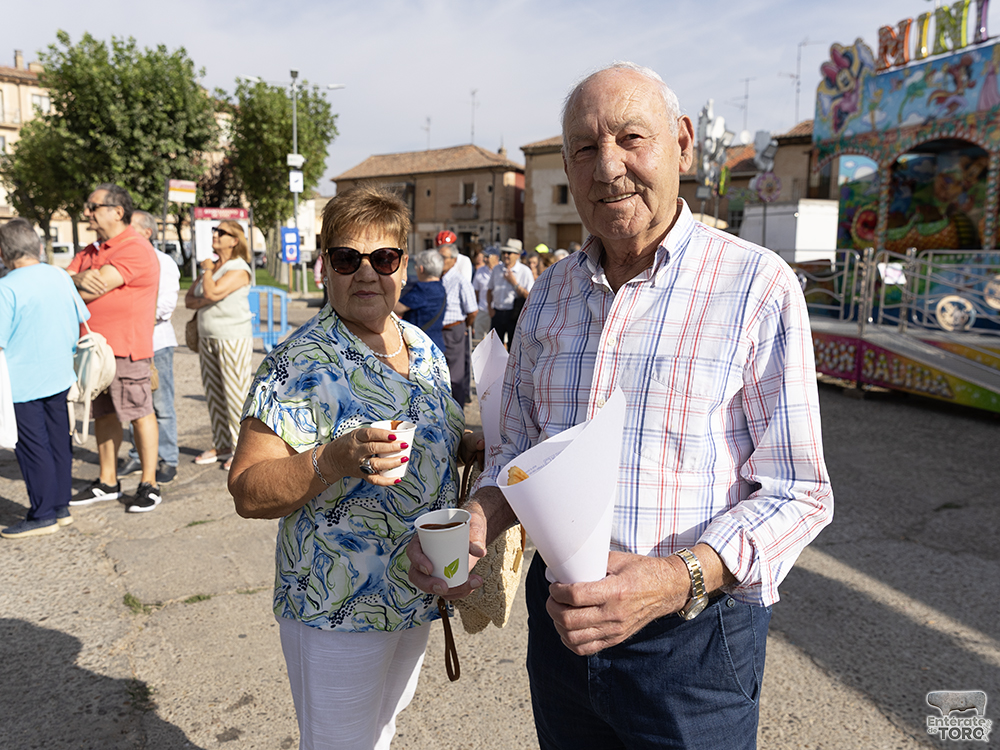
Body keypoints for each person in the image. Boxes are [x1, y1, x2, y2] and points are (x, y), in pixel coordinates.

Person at [408, 62, 834, 750]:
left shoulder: (758, 286)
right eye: (583, 147)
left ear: (683, 143)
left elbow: (800, 494)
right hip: (563, 630)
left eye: (631, 137)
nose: (607, 167)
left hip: (692, 641)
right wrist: (478, 523)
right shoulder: (548, 295)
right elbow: (516, 453)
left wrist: (672, 580)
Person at [229, 184, 480, 750]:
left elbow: (433, 428)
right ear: (325, 267)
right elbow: (246, 490)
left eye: (384, 258)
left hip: (415, 588)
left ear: (404, 266)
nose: (366, 273)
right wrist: (334, 458)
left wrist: (466, 442)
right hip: (334, 605)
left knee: (380, 734)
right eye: (347, 258)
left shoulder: (422, 346)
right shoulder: (300, 364)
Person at [67, 184, 163, 513]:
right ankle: (107, 481)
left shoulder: (133, 247)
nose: (86, 213)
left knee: (138, 413)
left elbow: (95, 289)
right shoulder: (93, 248)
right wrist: (77, 280)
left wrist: (76, 281)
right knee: (104, 414)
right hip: (96, 348)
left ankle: (149, 483)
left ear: (117, 211)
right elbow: (64, 283)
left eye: (92, 207)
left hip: (127, 347)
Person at [0, 219, 89, 538]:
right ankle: (60, 506)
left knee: (32, 446)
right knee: (57, 441)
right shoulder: (59, 275)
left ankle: (42, 513)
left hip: (22, 379)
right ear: (37, 245)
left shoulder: (7, 287)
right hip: (59, 371)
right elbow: (82, 316)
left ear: (4, 251)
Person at [185, 220, 254, 472]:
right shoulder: (215, 267)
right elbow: (189, 300)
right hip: (208, 336)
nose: (215, 235)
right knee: (213, 394)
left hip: (232, 337)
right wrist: (209, 273)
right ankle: (223, 444)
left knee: (235, 395)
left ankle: (241, 450)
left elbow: (211, 294)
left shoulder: (239, 268)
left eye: (221, 232)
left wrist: (206, 270)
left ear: (234, 240)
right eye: (215, 231)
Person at [119, 210, 180, 484]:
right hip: (130, 340)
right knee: (135, 404)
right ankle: (139, 454)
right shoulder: (122, 260)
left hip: (156, 341)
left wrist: (131, 313)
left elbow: (166, 305)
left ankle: (168, 458)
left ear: (147, 232)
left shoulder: (163, 262)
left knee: (160, 402)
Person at [436, 242, 477, 405]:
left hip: (454, 330)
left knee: (455, 376)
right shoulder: (437, 278)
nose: (440, 260)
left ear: (453, 260)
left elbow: (472, 310)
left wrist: (464, 326)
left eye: (443, 257)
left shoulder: (460, 280)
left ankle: (457, 413)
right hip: (437, 331)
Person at [395, 249, 447, 352]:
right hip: (437, 344)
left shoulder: (422, 289)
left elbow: (397, 308)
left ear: (421, 269)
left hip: (420, 346)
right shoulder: (441, 287)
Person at [486, 238, 533, 348]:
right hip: (497, 312)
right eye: (504, 252)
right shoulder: (497, 269)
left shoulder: (525, 271)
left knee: (513, 348)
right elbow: (489, 290)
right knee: (494, 348)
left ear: (518, 255)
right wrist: (490, 308)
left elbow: (530, 296)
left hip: (514, 314)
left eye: (509, 253)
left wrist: (514, 283)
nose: (506, 255)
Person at [472, 246, 499, 340]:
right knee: (479, 337)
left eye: (488, 256)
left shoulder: (501, 270)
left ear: (496, 257)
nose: (486, 259)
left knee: (497, 340)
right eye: (485, 256)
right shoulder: (480, 271)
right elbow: (476, 291)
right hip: (482, 309)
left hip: (497, 310)